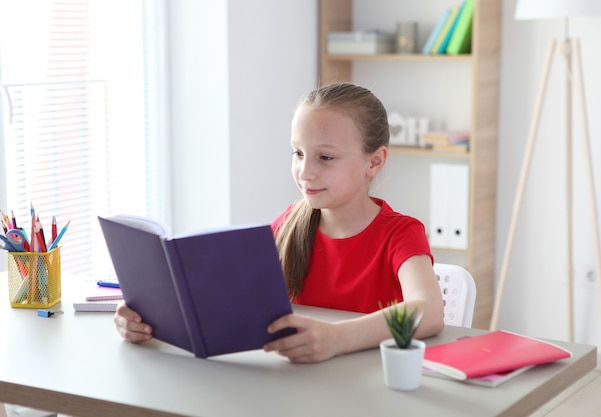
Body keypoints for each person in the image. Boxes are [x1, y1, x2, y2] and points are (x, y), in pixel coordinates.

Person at [113, 82, 444, 363]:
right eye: (298, 153)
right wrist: (148, 319)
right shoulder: (287, 225)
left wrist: (336, 338)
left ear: (374, 161)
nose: (305, 171)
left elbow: (429, 311)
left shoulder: (401, 233)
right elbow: (223, 299)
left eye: (325, 157)